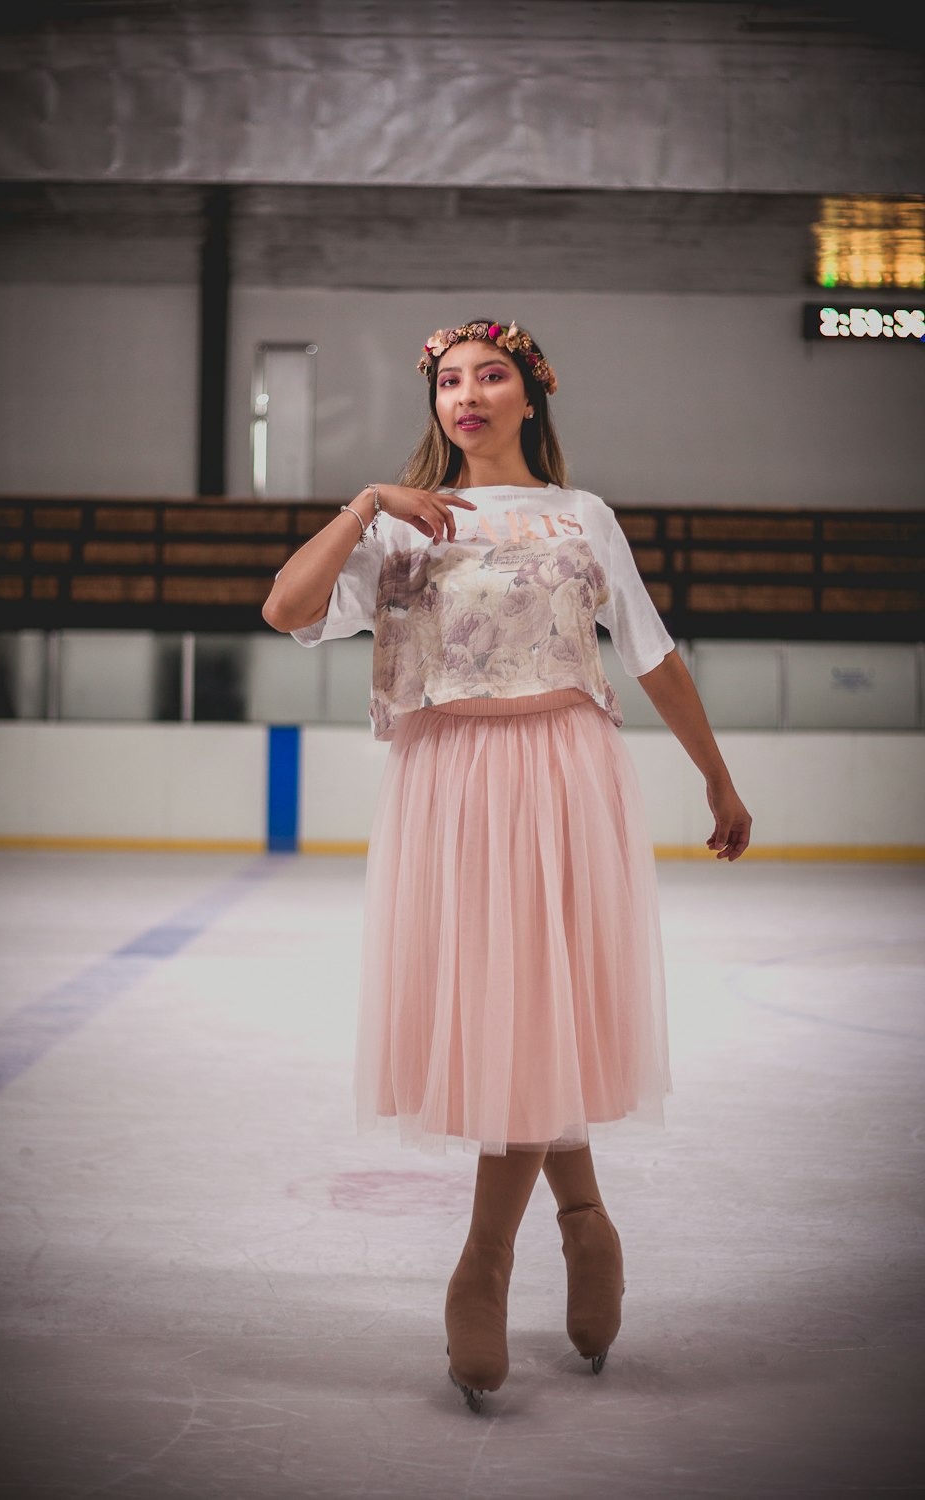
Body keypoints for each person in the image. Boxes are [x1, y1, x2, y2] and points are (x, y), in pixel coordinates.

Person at [263, 317, 752, 1414]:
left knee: (536, 1003)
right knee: (510, 1011)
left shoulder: (583, 516)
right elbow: (285, 609)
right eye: (448, 379)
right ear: (432, 401)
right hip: (450, 781)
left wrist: (718, 779)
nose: (467, 393)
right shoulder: (401, 527)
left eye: (490, 376)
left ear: (531, 396)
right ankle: (582, 1218)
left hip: (563, 769)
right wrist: (363, 505)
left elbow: (652, 652)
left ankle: (483, 1259)